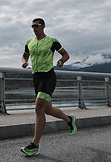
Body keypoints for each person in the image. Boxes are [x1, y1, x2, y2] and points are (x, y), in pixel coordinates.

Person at [20, 18, 77, 156]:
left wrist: (61, 61)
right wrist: (24, 62)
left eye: (36, 26)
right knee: (48, 110)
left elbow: (65, 54)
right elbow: (24, 55)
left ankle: (34, 145)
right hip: (36, 77)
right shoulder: (29, 43)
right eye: (32, 26)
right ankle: (69, 120)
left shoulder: (52, 41)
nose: (34, 28)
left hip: (48, 76)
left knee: (39, 107)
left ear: (43, 26)